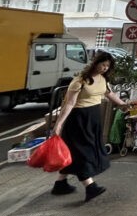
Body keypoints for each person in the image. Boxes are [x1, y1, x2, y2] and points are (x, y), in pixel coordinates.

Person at [52, 51, 129, 202]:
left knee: (77, 152)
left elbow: (109, 94)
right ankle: (90, 187)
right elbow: (69, 103)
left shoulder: (103, 79)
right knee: (82, 153)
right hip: (78, 120)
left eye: (108, 66)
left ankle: (60, 184)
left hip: (93, 118)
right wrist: (59, 124)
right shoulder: (80, 81)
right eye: (103, 64)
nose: (105, 68)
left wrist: (123, 105)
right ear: (95, 63)